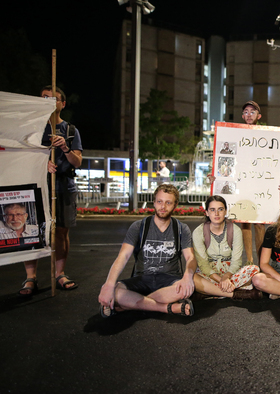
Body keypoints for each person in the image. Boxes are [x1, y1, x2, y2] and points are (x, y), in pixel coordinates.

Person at [18, 86, 83, 296]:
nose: (48, 102)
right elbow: (21, 157)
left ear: (62, 104)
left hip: (63, 186)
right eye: (44, 98)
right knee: (31, 232)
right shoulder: (32, 129)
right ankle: (31, 278)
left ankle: (60, 274)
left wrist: (65, 148)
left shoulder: (71, 130)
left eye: (53, 99)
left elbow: (77, 161)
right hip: (36, 187)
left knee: (62, 232)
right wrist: (40, 162)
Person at [98, 184, 196, 318]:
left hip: (169, 280)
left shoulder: (181, 228)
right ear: (154, 203)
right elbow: (123, 256)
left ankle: (127, 306)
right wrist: (109, 284)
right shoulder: (139, 226)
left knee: (185, 289)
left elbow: (190, 257)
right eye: (159, 201)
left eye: (168, 203)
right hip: (142, 278)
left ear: (175, 205)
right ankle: (168, 307)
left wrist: (187, 277)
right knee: (115, 291)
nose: (163, 206)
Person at [192, 195, 262, 299]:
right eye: (212, 210)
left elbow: (236, 261)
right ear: (207, 212)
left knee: (254, 269)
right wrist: (221, 280)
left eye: (220, 209)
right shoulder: (199, 232)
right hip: (210, 273)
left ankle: (211, 292)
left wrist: (226, 277)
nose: (216, 213)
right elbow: (203, 264)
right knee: (192, 278)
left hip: (230, 272)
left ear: (225, 211)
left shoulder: (235, 230)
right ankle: (234, 293)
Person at [239, 100, 266, 264]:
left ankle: (261, 261)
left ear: (259, 115)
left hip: (261, 184)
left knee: (260, 223)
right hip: (244, 182)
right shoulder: (236, 133)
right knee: (246, 224)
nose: (249, 115)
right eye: (246, 112)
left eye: (252, 112)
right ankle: (249, 262)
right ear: (243, 116)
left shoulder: (266, 135)